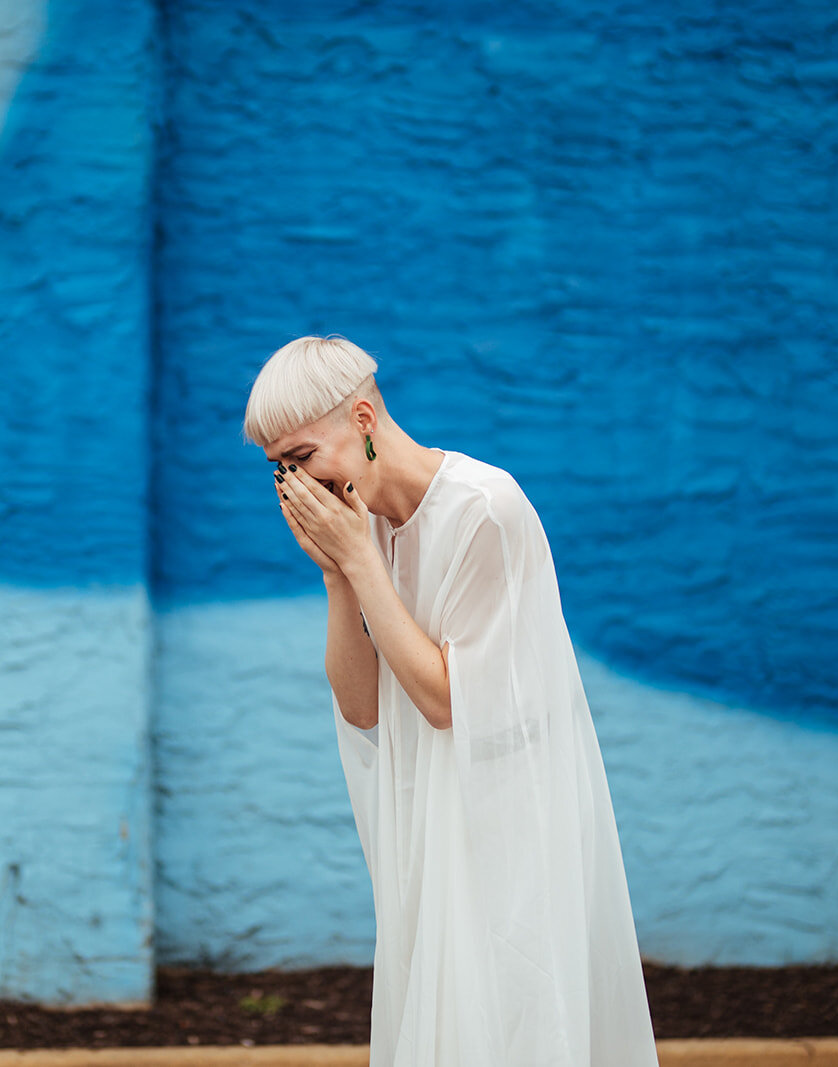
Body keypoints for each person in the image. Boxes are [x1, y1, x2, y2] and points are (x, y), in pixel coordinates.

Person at [245, 336, 658, 1066]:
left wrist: (362, 560)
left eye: (303, 458)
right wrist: (340, 575)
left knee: (512, 1032)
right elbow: (363, 706)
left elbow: (446, 701)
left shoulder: (485, 511)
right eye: (281, 469)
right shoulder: (361, 522)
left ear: (364, 418)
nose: (297, 485)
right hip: (424, 825)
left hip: (509, 831)